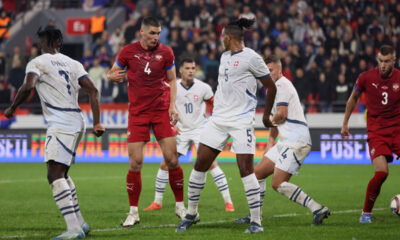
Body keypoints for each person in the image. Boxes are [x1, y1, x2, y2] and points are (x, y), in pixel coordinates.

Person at [176, 18, 277, 234]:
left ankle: (256, 223)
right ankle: (191, 214)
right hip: (218, 120)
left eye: (222, 36)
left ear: (228, 37)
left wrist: (266, 116)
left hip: (241, 121)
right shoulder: (224, 57)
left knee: (245, 170)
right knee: (200, 164)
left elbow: (271, 87)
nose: (220, 39)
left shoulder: (252, 58)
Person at [4, 27, 104, 239]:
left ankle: (74, 230)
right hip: (78, 121)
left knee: (54, 174)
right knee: (63, 173)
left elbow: (27, 86)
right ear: (60, 43)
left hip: (61, 122)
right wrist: (97, 123)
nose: (40, 45)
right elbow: (93, 91)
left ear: (45, 43)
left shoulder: (37, 62)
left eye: (42, 42)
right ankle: (80, 223)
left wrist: (13, 108)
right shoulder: (74, 63)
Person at [107, 16, 185, 227]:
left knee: (172, 160)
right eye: (152, 33)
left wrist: (172, 105)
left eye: (158, 33)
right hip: (138, 112)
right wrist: (110, 76)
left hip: (160, 110)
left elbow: (171, 80)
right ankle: (133, 212)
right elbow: (113, 72)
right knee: (135, 163)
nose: (155, 37)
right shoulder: (127, 52)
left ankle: (180, 206)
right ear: (141, 32)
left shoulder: (166, 52)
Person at [235, 55, 330, 226]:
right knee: (256, 175)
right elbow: (275, 122)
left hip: (296, 141)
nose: (267, 74)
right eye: (265, 71)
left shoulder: (282, 85)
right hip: (285, 141)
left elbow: (281, 114)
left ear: (280, 69)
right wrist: (270, 142)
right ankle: (255, 215)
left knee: (277, 183)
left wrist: (267, 120)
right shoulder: (272, 88)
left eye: (270, 70)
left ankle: (317, 208)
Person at [144, 59, 235, 213]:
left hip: (200, 129)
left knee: (211, 163)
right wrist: (171, 125)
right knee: (166, 164)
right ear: (180, 70)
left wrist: (213, 121)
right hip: (180, 130)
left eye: (193, 68)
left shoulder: (203, 88)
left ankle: (228, 202)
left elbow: (215, 105)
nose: (191, 71)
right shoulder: (172, 88)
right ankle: (157, 202)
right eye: (187, 68)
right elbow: (162, 108)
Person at [341, 45, 400, 223]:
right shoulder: (366, 77)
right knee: (382, 173)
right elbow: (353, 98)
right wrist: (345, 123)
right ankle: (366, 214)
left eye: (387, 61)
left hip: (398, 129)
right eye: (380, 61)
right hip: (377, 132)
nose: (383, 65)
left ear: (394, 61)